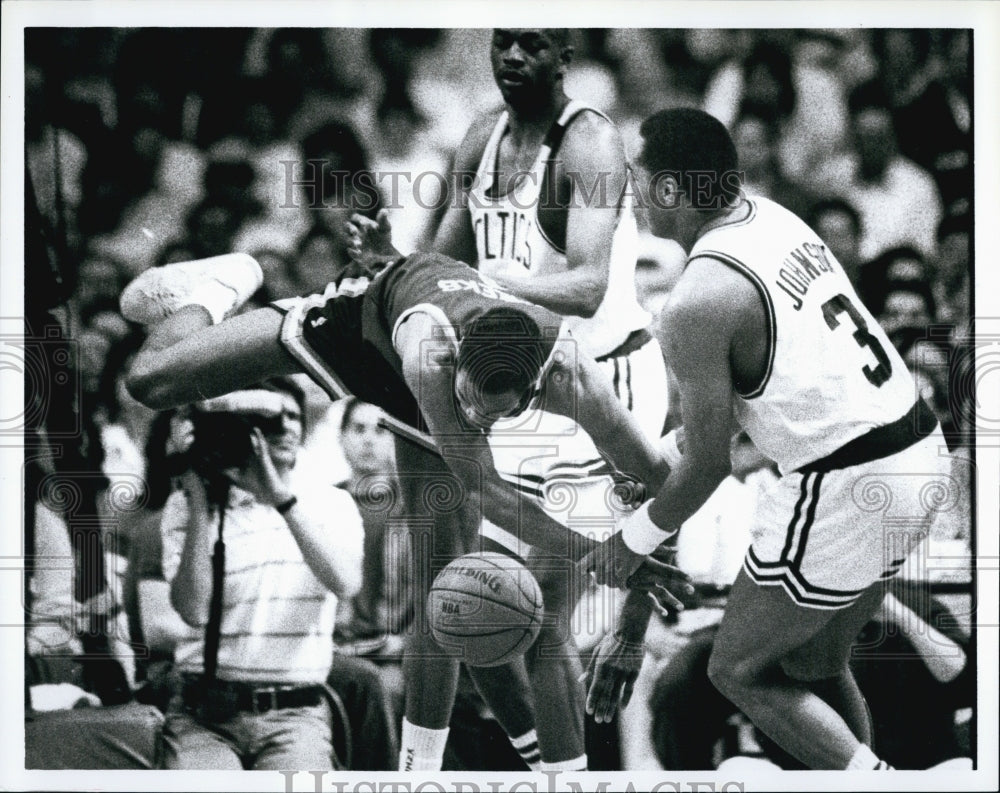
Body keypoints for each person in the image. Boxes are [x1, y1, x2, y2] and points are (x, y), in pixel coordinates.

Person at [119, 250, 688, 767]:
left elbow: (666, 484)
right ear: (459, 367)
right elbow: (483, 484)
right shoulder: (431, 356)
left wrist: (632, 623)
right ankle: (219, 286)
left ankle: (434, 769)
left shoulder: (575, 375)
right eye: (470, 403)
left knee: (447, 574)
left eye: (493, 415)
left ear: (536, 388)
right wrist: (603, 551)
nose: (477, 420)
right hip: (372, 324)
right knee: (150, 380)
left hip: (449, 346)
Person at [582, 107, 953, 771]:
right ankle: (863, 775)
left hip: (851, 476)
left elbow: (706, 465)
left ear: (669, 191)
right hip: (919, 453)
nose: (629, 195)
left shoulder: (696, 299)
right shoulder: (775, 217)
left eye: (637, 179)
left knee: (738, 668)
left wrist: (629, 540)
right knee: (812, 661)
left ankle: (882, 781)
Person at [346, 27, 669, 772]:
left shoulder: (589, 145)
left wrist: (471, 287)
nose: (513, 57)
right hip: (514, 380)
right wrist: (390, 266)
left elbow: (587, 286)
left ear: (565, 58)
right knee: (466, 595)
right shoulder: (481, 137)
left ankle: (565, 776)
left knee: (543, 613)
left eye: (532, 44)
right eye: (503, 43)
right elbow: (444, 263)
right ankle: (476, 766)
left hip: (599, 381)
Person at [157, 377, 364, 769]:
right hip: (204, 715)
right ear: (242, 430)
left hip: (295, 714)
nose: (286, 427)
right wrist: (200, 501)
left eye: (293, 417)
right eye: (270, 419)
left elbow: (347, 583)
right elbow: (195, 611)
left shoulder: (331, 503)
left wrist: (283, 502)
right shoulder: (186, 507)